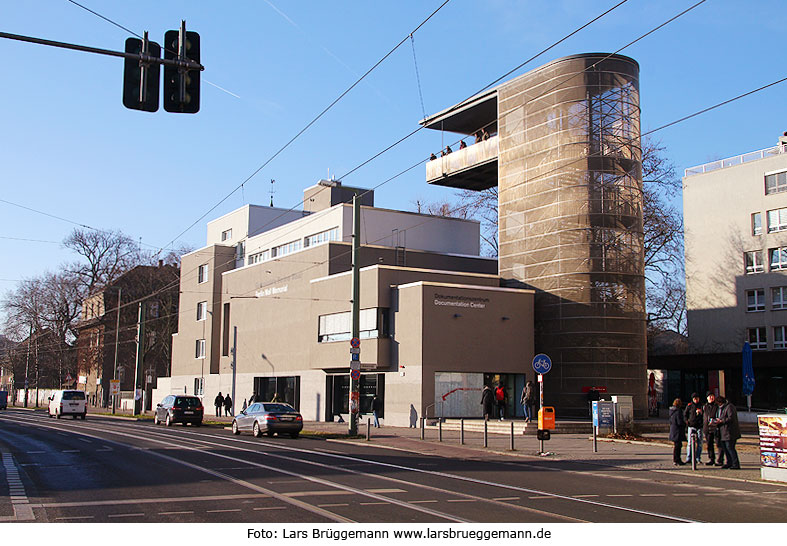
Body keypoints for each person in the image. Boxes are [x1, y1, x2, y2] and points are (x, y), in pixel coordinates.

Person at [715, 395, 741, 469]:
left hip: (730, 432)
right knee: (725, 448)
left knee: (730, 448)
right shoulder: (722, 408)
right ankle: (729, 462)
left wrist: (721, 421)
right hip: (723, 432)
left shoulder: (729, 407)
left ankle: (735, 464)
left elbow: (731, 418)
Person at [703, 392, 724, 466]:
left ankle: (720, 460)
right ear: (707, 398)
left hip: (716, 427)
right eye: (710, 396)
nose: (711, 398)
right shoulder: (705, 406)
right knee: (709, 444)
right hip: (707, 428)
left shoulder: (717, 406)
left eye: (712, 396)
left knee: (719, 444)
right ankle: (711, 459)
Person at [684, 392, 704, 464]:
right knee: (689, 443)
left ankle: (698, 458)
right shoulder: (689, 406)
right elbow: (685, 414)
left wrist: (701, 413)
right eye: (694, 398)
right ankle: (689, 458)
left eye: (697, 398)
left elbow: (705, 415)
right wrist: (687, 421)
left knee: (700, 443)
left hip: (699, 426)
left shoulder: (702, 405)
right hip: (691, 426)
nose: (696, 400)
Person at [669, 398, 687, 466]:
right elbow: (679, 422)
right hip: (678, 431)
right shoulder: (678, 411)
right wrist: (685, 424)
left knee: (676, 446)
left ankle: (675, 459)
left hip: (673, 430)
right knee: (678, 446)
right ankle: (677, 460)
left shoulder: (671, 411)